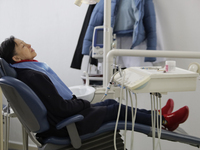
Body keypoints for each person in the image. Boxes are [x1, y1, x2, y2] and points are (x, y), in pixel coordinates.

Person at [0, 36, 189, 139]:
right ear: (16, 58)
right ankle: (164, 121)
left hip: (65, 119)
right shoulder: (32, 75)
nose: (29, 44)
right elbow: (61, 108)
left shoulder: (26, 72)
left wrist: (81, 104)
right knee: (114, 108)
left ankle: (157, 115)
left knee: (109, 102)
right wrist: (83, 103)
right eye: (23, 45)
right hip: (67, 126)